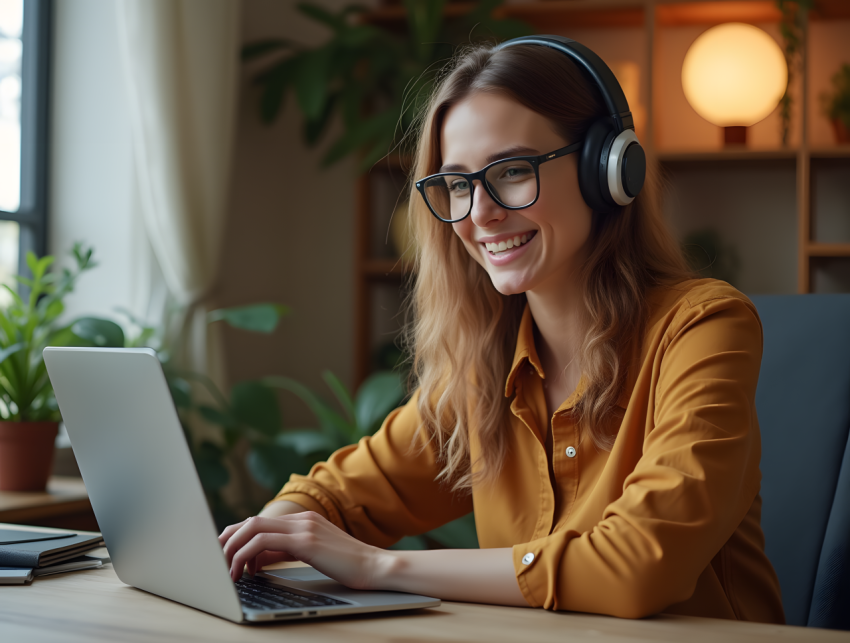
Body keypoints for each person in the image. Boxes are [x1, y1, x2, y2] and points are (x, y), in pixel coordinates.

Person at [219, 38, 786, 622]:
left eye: (512, 171)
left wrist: (377, 567)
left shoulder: (702, 327)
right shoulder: (486, 364)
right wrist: (264, 538)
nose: (479, 213)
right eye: (458, 184)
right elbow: (334, 497)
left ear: (608, 170)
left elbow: (638, 564)